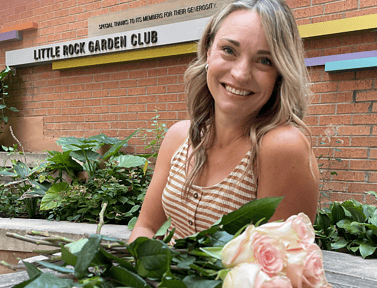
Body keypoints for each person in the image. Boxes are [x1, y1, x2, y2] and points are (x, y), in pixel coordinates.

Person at [129, 0, 320, 242]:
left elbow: (276, 269)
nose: (240, 73)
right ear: (208, 51)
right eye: (229, 50)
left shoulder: (281, 146)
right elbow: (145, 227)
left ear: (280, 73)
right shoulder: (179, 137)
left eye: (264, 61)